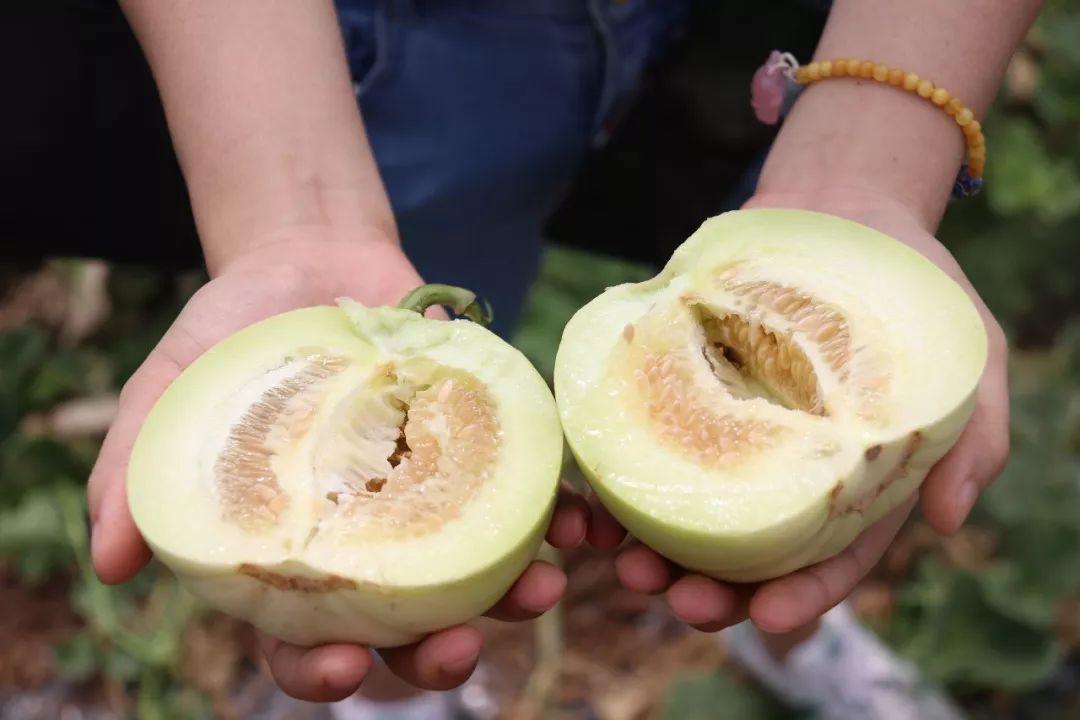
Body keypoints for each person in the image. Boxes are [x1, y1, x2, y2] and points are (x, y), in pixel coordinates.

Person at [82, 0, 1035, 717]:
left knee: (766, 238)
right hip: (344, 54)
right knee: (432, 241)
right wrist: (289, 212)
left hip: (754, 42)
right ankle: (391, 698)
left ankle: (801, 625)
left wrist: (873, 161)